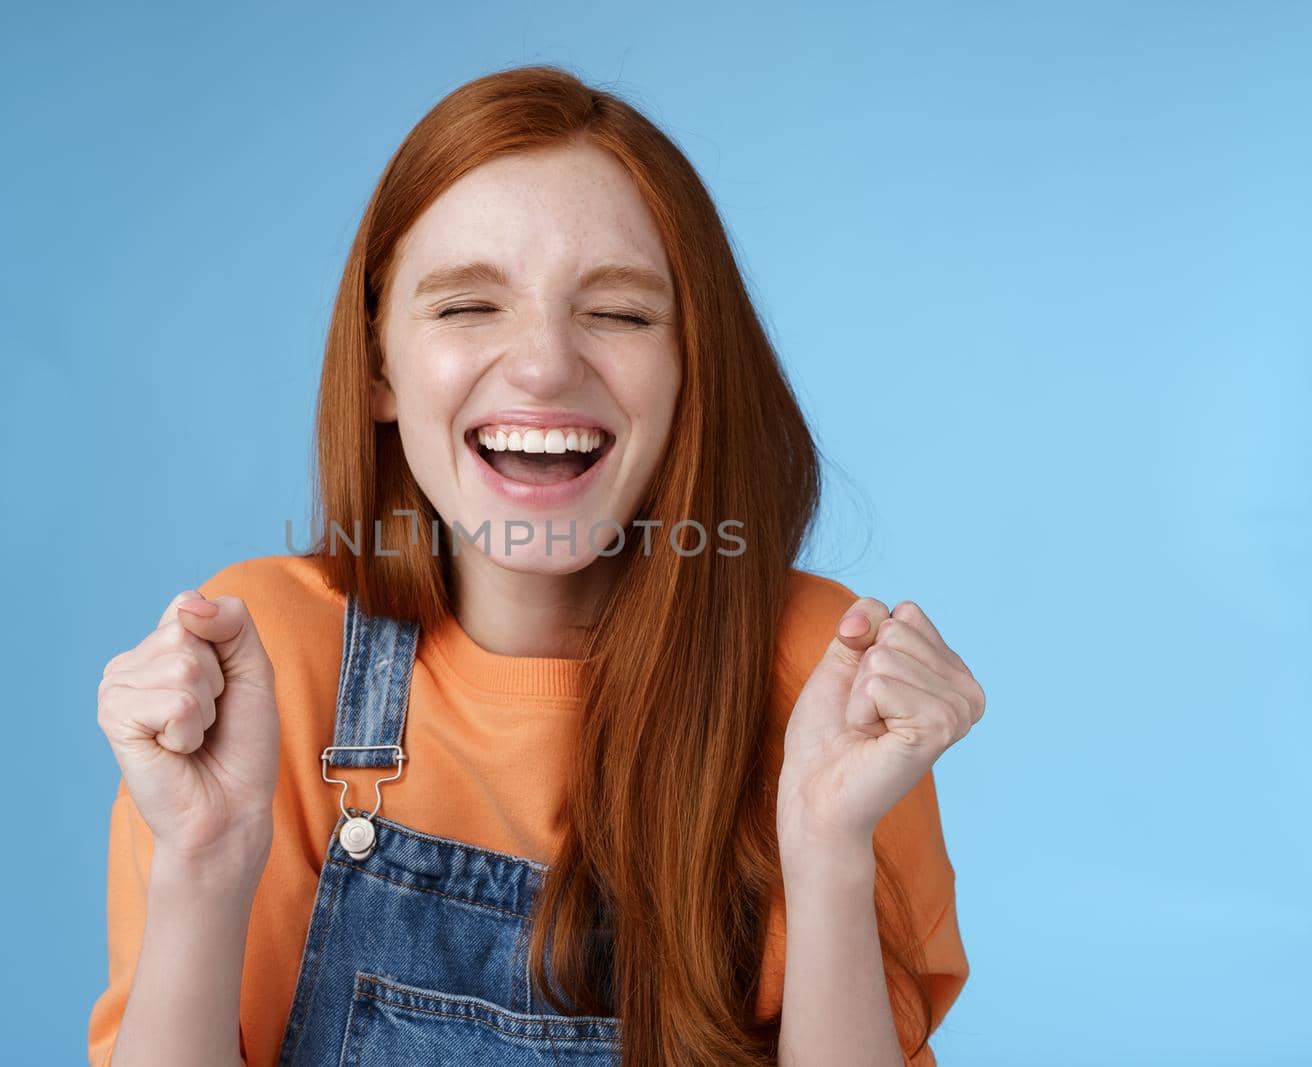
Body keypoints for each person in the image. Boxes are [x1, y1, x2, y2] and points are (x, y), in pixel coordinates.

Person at [87, 64, 981, 1067]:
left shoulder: (826, 673)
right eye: (468, 306)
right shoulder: (263, 658)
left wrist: (826, 848)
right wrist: (204, 861)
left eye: (622, 313)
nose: (545, 363)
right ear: (380, 365)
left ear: (693, 368)